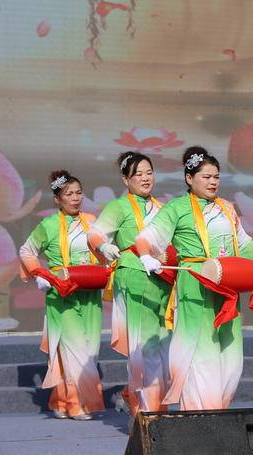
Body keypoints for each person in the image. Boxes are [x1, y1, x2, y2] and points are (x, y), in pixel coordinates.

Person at [135, 146, 253, 411]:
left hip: (226, 282)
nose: (212, 182)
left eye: (216, 177)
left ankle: (219, 409)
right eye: (206, 177)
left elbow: (243, 242)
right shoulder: (176, 208)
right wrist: (145, 256)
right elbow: (147, 237)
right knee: (200, 349)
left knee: (230, 352)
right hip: (195, 283)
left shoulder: (226, 207)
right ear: (189, 178)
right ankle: (201, 413)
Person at [87, 152, 171, 415]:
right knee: (145, 345)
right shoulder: (119, 207)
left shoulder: (163, 208)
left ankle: (144, 403)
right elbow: (95, 233)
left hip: (164, 278)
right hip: (134, 276)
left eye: (149, 172)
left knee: (165, 346)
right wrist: (104, 246)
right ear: (126, 180)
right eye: (138, 174)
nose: (145, 178)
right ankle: (147, 413)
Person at [19, 170, 105, 420]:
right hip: (62, 291)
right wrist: (40, 274)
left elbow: (100, 249)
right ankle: (78, 404)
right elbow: (27, 251)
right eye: (69, 194)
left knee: (89, 347)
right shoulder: (48, 225)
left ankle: (60, 401)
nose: (75, 198)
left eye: (78, 193)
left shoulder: (91, 221)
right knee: (74, 348)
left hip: (89, 291)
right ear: (57, 199)